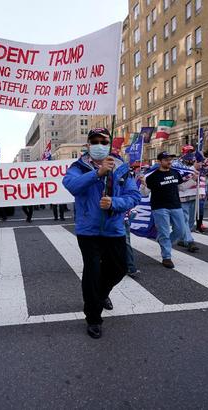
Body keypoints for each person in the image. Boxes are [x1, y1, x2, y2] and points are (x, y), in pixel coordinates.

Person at [62, 127, 140, 339]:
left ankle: (101, 295)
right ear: (88, 145)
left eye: (103, 141)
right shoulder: (78, 166)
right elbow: (71, 185)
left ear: (109, 144)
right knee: (92, 271)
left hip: (114, 229)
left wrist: (115, 202)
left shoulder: (122, 167)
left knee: (119, 268)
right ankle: (93, 318)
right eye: (94, 141)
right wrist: (98, 173)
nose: (99, 145)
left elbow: (134, 195)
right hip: (88, 230)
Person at [140, 151, 188, 269]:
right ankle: (166, 257)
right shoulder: (152, 176)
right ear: (160, 161)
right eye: (166, 160)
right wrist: (143, 184)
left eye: (170, 159)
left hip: (176, 206)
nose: (169, 162)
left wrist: (193, 180)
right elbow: (145, 193)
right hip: (159, 207)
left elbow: (182, 188)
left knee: (181, 230)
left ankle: (164, 242)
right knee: (164, 232)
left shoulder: (175, 173)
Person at [176, 149, 202, 252]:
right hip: (182, 196)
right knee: (185, 220)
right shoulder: (178, 164)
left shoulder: (197, 163)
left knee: (191, 220)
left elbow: (205, 175)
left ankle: (182, 239)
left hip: (194, 195)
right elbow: (181, 177)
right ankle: (189, 241)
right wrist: (193, 168)